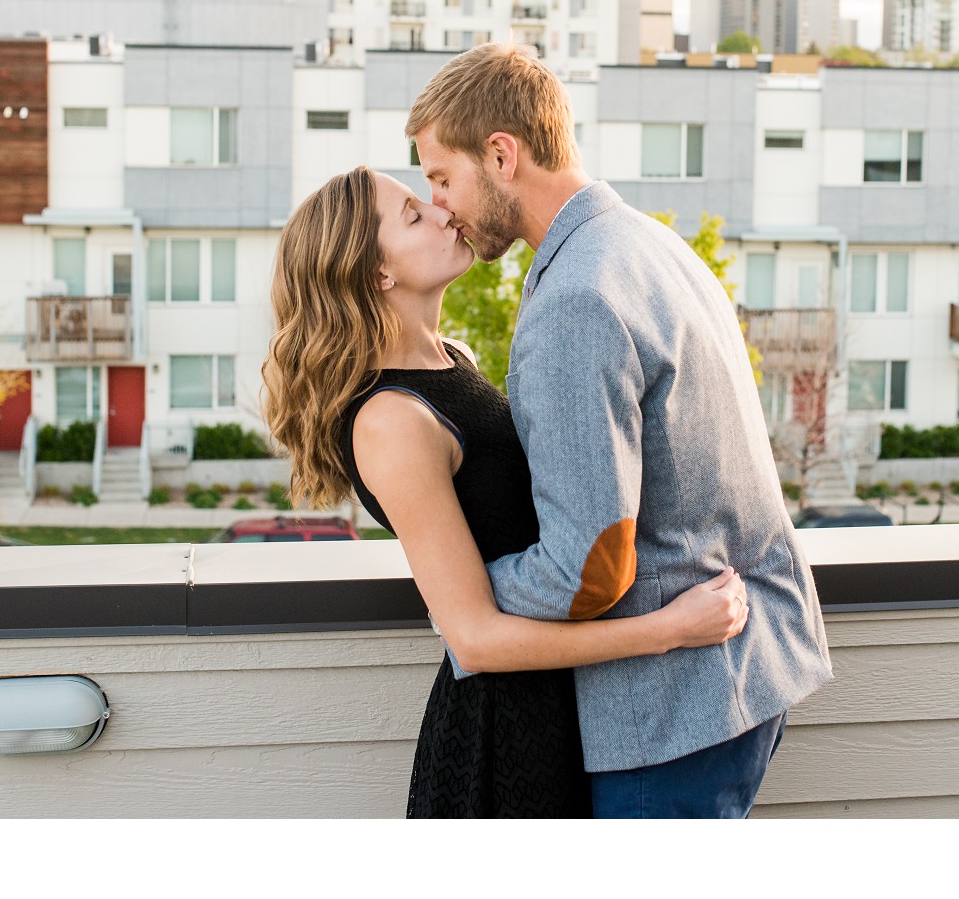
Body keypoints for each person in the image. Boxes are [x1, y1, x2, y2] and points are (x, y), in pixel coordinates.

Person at [406, 42, 834, 819]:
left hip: (669, 714)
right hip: (743, 672)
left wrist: (462, 595)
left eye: (442, 177)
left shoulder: (577, 297)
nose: (440, 206)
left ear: (501, 154)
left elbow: (590, 569)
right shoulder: (643, 241)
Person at [262, 165, 752, 818]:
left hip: (567, 706)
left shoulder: (451, 359)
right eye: (413, 214)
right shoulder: (392, 420)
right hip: (508, 739)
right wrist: (667, 628)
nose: (441, 210)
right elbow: (475, 639)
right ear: (377, 272)